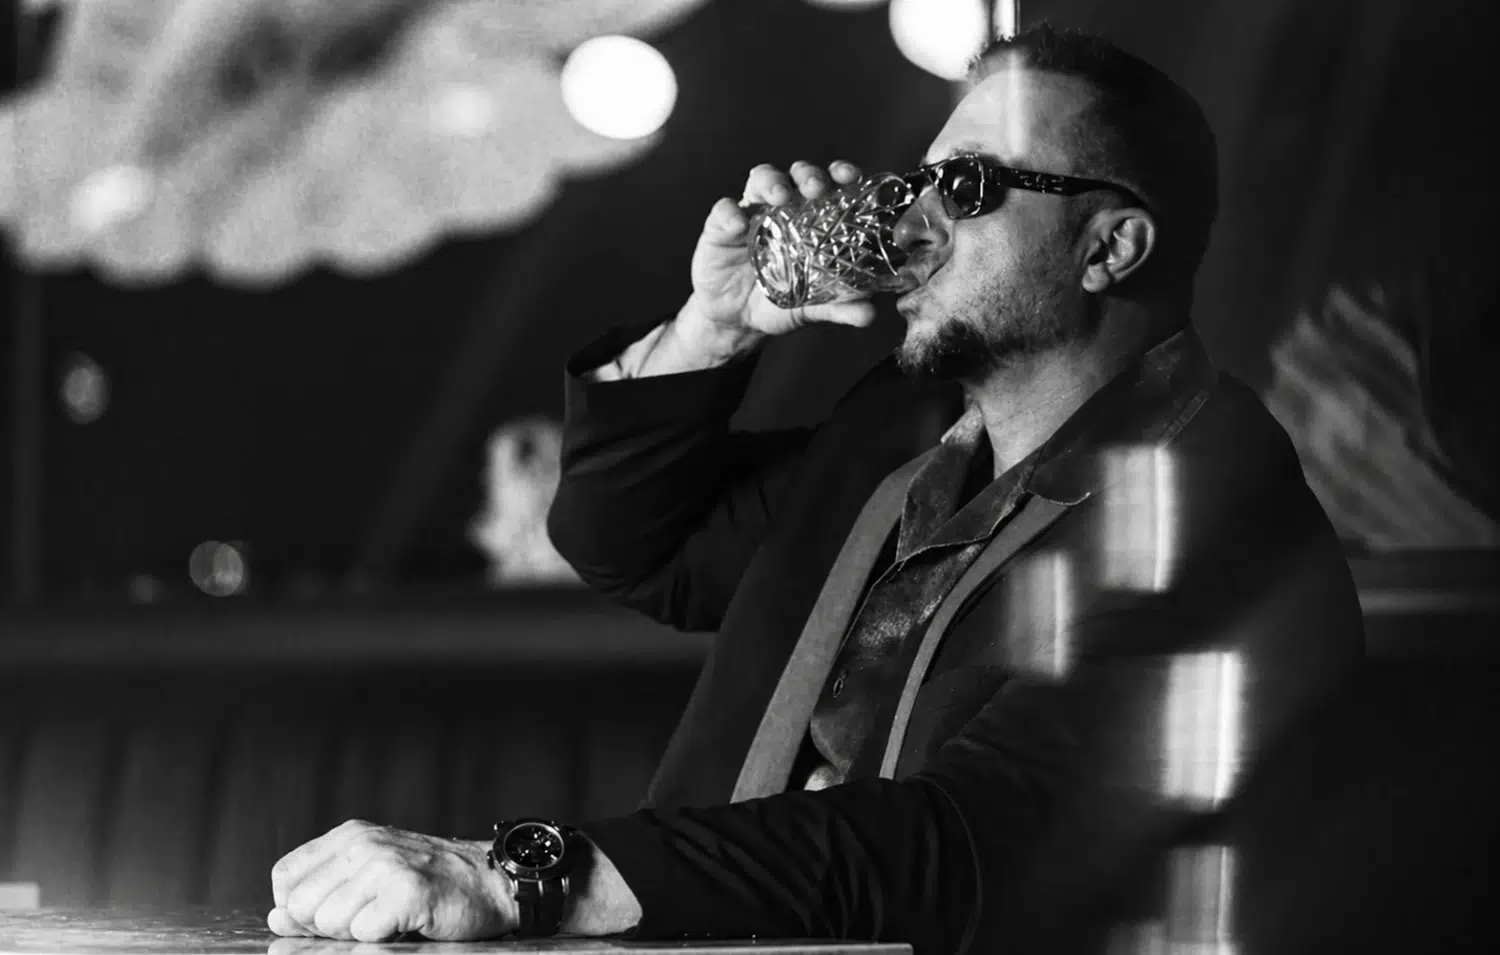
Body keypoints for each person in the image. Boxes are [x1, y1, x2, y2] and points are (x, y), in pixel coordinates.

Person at [266, 24, 1364, 955]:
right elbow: (632, 542)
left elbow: (966, 844)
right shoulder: (900, 434)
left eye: (968, 186)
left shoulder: (1215, 513)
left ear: (1110, 247)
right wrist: (712, 329)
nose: (912, 224)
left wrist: (526, 877)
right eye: (920, 183)